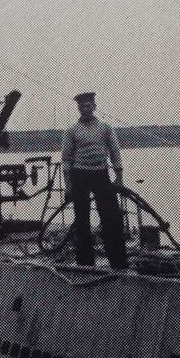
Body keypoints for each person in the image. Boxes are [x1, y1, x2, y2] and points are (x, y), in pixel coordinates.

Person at [60, 91, 127, 270]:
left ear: (94, 107)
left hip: (101, 174)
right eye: (81, 106)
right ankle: (85, 263)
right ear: (78, 109)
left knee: (110, 217)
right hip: (79, 175)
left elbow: (115, 152)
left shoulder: (106, 128)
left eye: (88, 105)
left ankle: (118, 262)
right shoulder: (71, 131)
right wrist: (68, 186)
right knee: (82, 219)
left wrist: (119, 177)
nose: (85, 108)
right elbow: (66, 159)